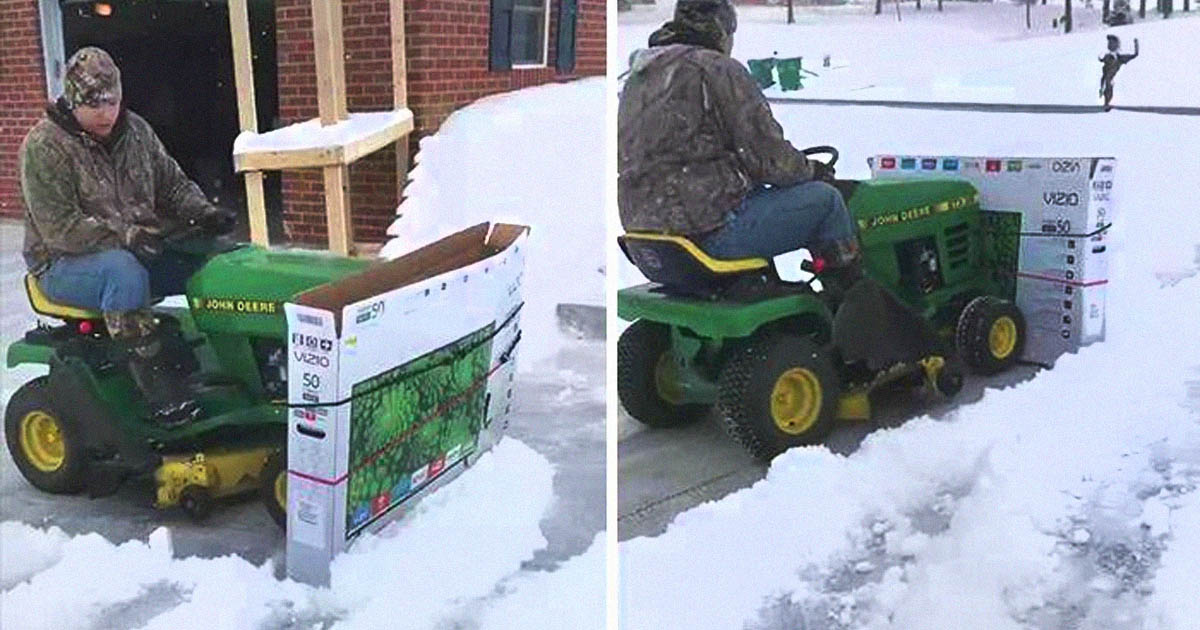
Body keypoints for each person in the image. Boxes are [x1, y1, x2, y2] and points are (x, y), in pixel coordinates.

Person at [19, 46, 236, 427]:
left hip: (137, 245)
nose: (105, 113)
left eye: (112, 102)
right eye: (94, 105)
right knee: (124, 272)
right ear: (72, 101)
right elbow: (60, 227)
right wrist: (128, 236)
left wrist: (204, 213)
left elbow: (171, 186)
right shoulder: (43, 147)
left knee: (214, 259)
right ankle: (158, 390)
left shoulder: (136, 132)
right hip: (62, 262)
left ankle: (234, 365)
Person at [617, 0, 864, 293]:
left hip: (649, 238)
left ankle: (773, 289)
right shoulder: (716, 69)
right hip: (708, 233)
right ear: (721, 30)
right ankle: (853, 305)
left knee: (755, 195)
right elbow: (769, 159)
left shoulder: (640, 76)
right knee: (827, 201)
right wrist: (810, 170)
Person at [1100, 35, 1139, 109]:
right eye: (1109, 43)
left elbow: (1134, 55)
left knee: (1109, 83)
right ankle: (1106, 102)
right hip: (1107, 82)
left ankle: (1108, 102)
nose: (1110, 45)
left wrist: (1136, 44)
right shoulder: (1106, 57)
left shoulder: (1119, 58)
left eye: (1112, 43)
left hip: (1115, 82)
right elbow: (1104, 74)